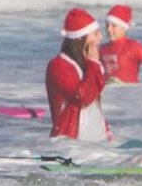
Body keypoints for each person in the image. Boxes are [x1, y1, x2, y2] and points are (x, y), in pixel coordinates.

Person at [46, 8, 110, 141]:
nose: (101, 37)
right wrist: (93, 64)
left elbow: (94, 107)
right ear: (81, 37)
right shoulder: (59, 66)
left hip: (95, 147)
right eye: (95, 33)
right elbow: (82, 99)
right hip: (70, 148)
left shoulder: (87, 65)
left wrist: (108, 135)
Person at [100, 4, 142, 84]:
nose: (109, 29)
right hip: (109, 93)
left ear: (124, 28)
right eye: (107, 26)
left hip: (131, 93)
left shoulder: (133, 47)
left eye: (114, 26)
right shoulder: (102, 49)